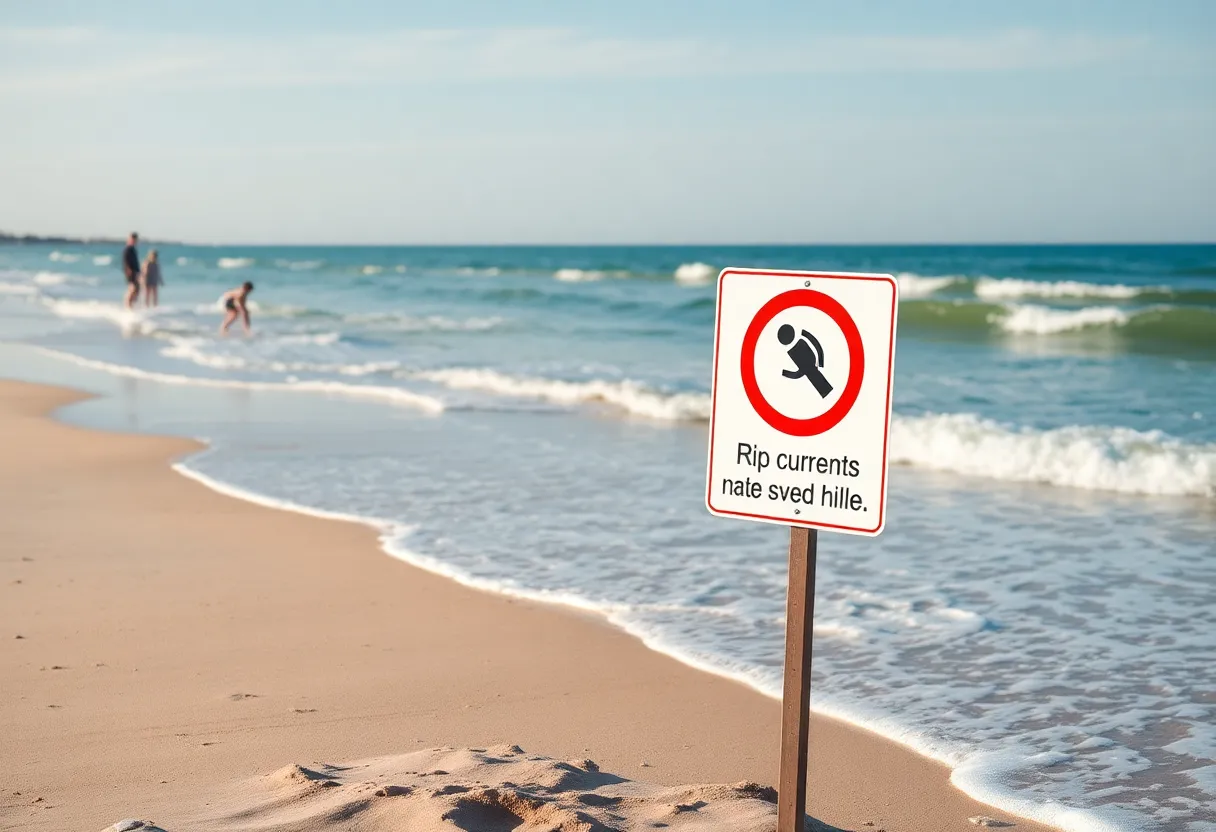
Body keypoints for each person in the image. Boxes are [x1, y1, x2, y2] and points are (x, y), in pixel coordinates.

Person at [121, 232, 140, 309]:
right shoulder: (128, 249)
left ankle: (130, 304)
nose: (134, 241)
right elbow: (126, 260)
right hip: (130, 271)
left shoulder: (133, 249)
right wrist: (128, 270)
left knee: (137, 288)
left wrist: (138, 271)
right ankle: (128, 304)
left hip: (135, 271)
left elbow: (135, 261)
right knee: (133, 288)